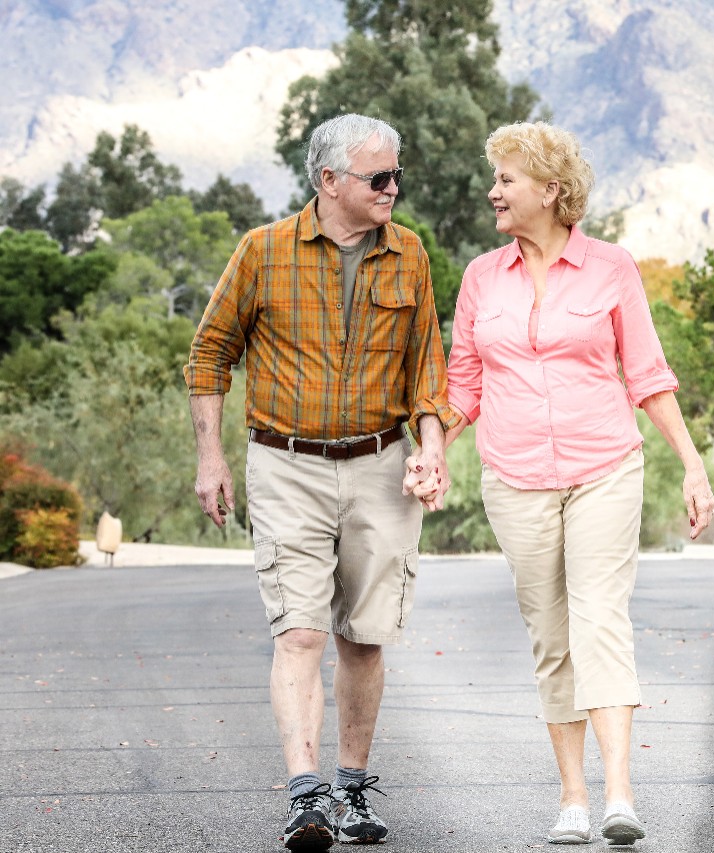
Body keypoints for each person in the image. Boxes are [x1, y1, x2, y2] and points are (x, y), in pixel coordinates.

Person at [406, 121, 714, 846]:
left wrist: (693, 462)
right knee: (551, 635)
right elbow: (464, 383)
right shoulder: (483, 276)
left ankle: (617, 791)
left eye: (506, 180)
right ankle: (571, 796)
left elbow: (647, 374)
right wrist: (433, 448)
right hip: (514, 479)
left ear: (551, 189)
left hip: (604, 466)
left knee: (599, 618)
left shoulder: (611, 269)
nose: (493, 192)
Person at [185, 113, 455, 851]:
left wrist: (432, 447)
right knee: (300, 631)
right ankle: (306, 797)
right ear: (328, 180)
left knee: (363, 638)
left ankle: (351, 786)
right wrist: (211, 457)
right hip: (285, 462)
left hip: (381, 464)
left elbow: (428, 369)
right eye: (378, 177)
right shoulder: (262, 251)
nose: (393, 187)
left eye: (397, 174)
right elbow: (209, 354)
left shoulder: (410, 255)